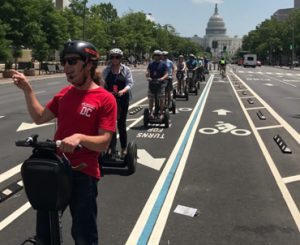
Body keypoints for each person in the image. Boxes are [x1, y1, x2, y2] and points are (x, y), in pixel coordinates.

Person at [12, 40, 117, 245]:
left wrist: (80, 138)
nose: (66, 67)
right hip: (56, 171)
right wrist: (28, 90)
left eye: (71, 61)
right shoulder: (65, 94)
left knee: (83, 235)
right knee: (44, 232)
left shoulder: (105, 99)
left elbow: (104, 142)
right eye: (64, 62)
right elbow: (40, 117)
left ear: (88, 64)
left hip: (84, 174)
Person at [102, 48, 134, 158]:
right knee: (109, 125)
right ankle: (111, 148)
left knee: (121, 124)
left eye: (117, 57)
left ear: (121, 58)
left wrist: (122, 91)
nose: (114, 59)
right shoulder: (106, 70)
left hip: (122, 100)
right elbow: (101, 83)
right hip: (109, 101)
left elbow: (130, 83)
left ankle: (124, 148)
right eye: (112, 57)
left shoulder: (126, 70)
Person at [146, 50, 168, 119]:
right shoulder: (151, 63)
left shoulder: (163, 64)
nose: (157, 56)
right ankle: (151, 112)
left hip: (160, 84)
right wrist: (148, 76)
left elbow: (166, 73)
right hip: (152, 83)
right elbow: (147, 71)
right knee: (151, 98)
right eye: (155, 55)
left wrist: (162, 78)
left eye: (158, 55)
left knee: (161, 98)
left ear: (160, 56)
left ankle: (161, 113)